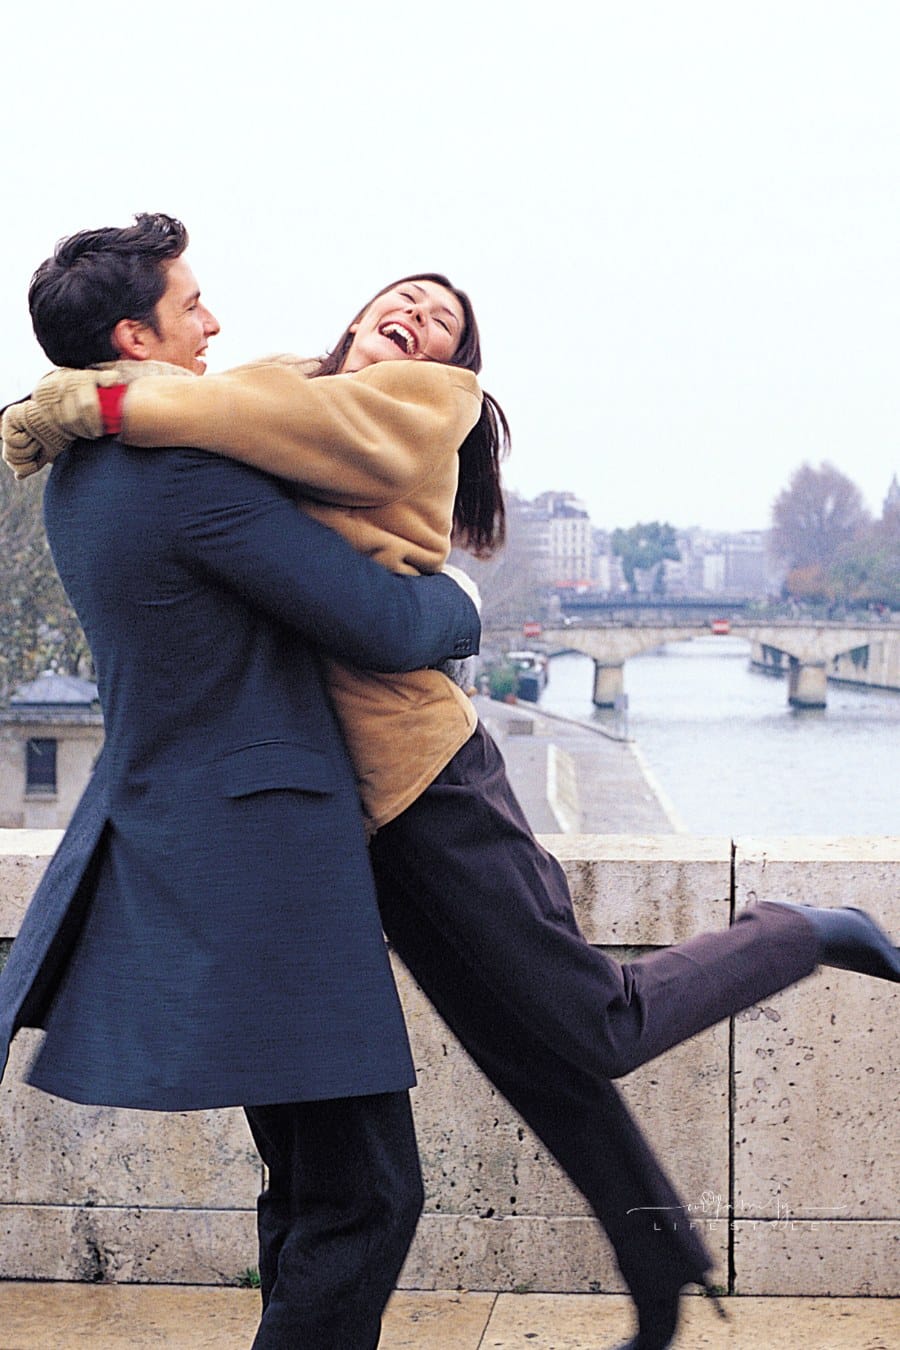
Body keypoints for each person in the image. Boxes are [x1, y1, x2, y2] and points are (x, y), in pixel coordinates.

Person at [6, 262, 899, 1350]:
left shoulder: (415, 398)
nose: (420, 319)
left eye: (443, 323)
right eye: (405, 298)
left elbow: (331, 564)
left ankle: (799, 930)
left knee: (585, 1024)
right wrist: (71, 406)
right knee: (516, 1046)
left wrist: (71, 405)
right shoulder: (271, 398)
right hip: (325, 816)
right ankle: (655, 1254)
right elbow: (211, 405)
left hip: (423, 777)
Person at [0, 215, 483, 1350]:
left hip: (211, 848)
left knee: (314, 1187)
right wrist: (462, 605)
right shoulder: (178, 481)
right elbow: (376, 620)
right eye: (192, 305)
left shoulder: (86, 474)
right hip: (266, 870)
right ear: (135, 333)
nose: (215, 322)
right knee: (369, 1195)